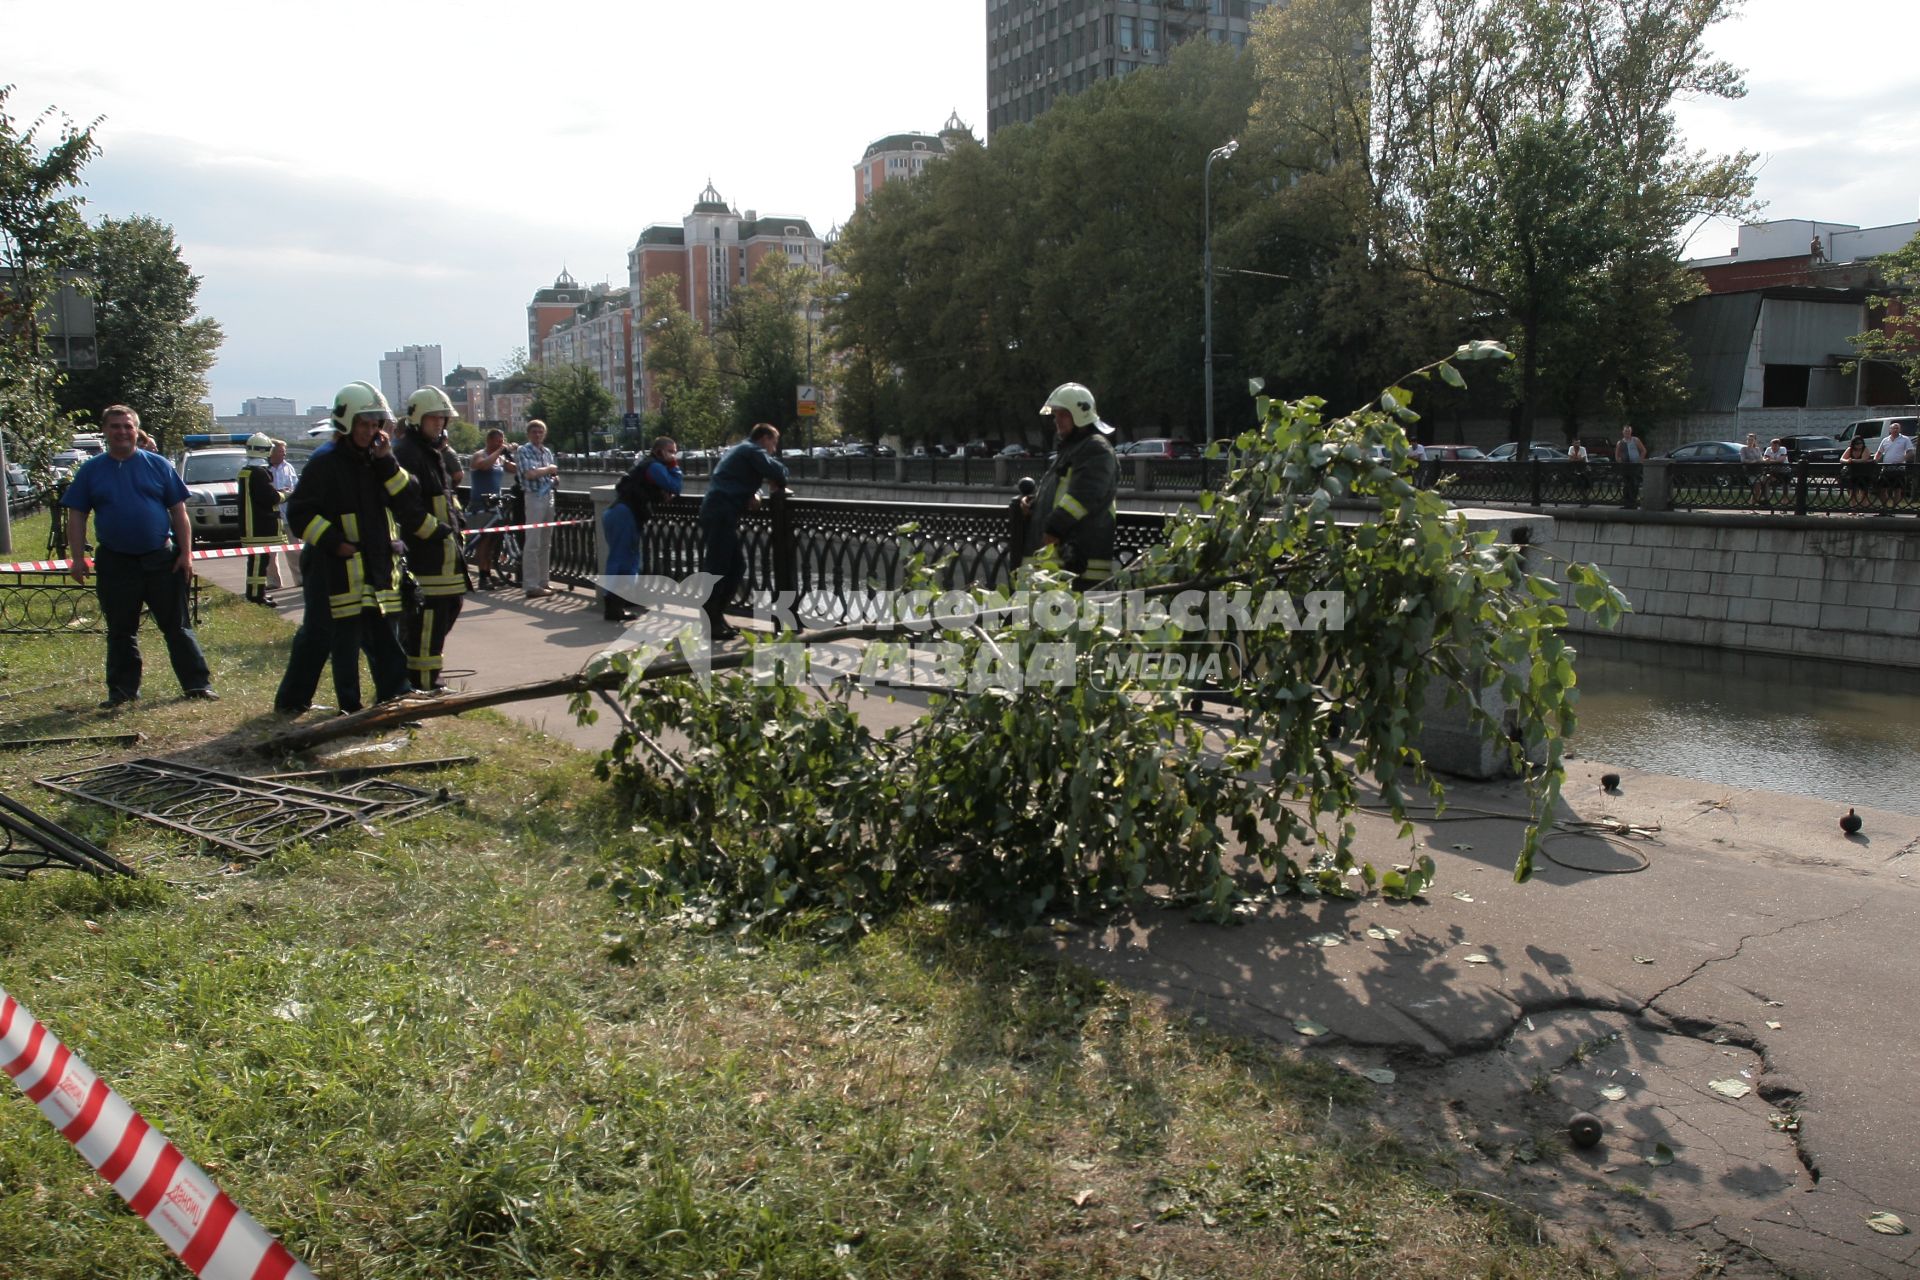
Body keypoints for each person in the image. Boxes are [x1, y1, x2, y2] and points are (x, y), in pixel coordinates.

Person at [273, 381, 420, 715]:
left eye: (375, 424)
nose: (370, 431)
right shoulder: (324, 462)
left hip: (375, 567)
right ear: (346, 423)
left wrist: (387, 462)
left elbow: (408, 498)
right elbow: (300, 514)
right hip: (332, 569)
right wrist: (334, 542)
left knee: (385, 639)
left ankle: (396, 700)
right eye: (364, 424)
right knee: (327, 639)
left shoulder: (379, 460)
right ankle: (308, 703)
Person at [59, 404, 216, 708]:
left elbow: (178, 512)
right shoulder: (92, 470)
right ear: (105, 431)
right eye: (115, 426)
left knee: (177, 627)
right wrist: (77, 558)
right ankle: (122, 691)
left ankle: (197, 686)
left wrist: (186, 554)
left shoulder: (157, 465)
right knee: (121, 630)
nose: (122, 432)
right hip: (116, 562)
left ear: (136, 430)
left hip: (161, 560)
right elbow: (76, 514)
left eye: (128, 426)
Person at [392, 387, 467, 691]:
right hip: (425, 556)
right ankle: (423, 682)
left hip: (445, 553)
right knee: (427, 622)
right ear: (417, 418)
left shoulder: (432, 451)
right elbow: (406, 506)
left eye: (443, 418)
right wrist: (433, 531)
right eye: (434, 417)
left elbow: (447, 495)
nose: (440, 423)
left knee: (447, 610)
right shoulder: (407, 454)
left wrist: (457, 521)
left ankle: (427, 676)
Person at [1023, 381, 1119, 587]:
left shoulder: (1096, 449)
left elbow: (1083, 497)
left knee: (1081, 617)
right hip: (1063, 563)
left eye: (1063, 414)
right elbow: (1059, 491)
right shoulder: (1073, 449)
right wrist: (1034, 503)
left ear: (1081, 414)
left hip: (1082, 563)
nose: (1057, 420)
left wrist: (1052, 529)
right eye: (1055, 414)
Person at [699, 423, 788, 640]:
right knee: (720, 567)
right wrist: (776, 479)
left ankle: (716, 617)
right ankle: (711, 621)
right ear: (764, 438)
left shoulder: (741, 450)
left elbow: (742, 478)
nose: (773, 449)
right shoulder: (752, 450)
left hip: (718, 512)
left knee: (735, 566)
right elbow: (778, 470)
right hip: (721, 513)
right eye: (773, 443)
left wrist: (755, 491)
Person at [602, 435, 683, 621]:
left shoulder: (646, 465)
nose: (673, 455)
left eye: (675, 452)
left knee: (621, 559)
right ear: (659, 451)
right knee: (625, 560)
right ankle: (615, 607)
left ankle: (616, 604)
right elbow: (676, 486)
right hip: (625, 514)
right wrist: (675, 467)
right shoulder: (654, 466)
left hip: (619, 512)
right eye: (670, 452)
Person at [514, 420, 560, 598]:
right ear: (528, 434)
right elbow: (529, 474)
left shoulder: (546, 451)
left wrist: (554, 478)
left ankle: (544, 581)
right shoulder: (523, 450)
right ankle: (531, 585)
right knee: (533, 542)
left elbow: (551, 474)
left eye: (541, 432)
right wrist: (549, 469)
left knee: (546, 542)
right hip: (533, 498)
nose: (537, 435)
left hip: (549, 496)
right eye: (534, 432)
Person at [467, 427, 517, 588]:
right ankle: (482, 577)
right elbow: (483, 466)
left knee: (492, 542)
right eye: (497, 441)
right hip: (479, 504)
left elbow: (516, 469)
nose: (500, 444)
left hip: (495, 504)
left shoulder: (500, 459)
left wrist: (516, 452)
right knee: (483, 541)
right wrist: (499, 452)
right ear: (489, 441)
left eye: (502, 441)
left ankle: (489, 573)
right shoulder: (480, 455)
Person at [238, 432, 283, 604]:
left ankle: (257, 592)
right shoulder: (259, 473)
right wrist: (285, 495)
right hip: (260, 525)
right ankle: (257, 595)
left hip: (251, 525)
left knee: (257, 562)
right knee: (259, 562)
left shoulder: (246, 471)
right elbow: (270, 498)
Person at [268, 439, 301, 587]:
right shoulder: (264, 468)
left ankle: (300, 580)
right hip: (271, 517)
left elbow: (295, 488)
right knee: (270, 552)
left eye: (284, 451)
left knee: (294, 549)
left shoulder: (289, 467)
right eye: (281, 451)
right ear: (272, 452)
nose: (284, 454)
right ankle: (273, 582)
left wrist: (290, 493)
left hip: (288, 515)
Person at [1873, 421, 1913, 510]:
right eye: (1893, 428)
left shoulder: (1905, 439)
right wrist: (1874, 461)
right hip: (1886, 468)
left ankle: (1894, 508)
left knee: (1897, 489)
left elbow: (1910, 453)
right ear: (1890, 429)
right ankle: (1885, 508)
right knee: (1882, 488)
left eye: (1897, 428)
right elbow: (1879, 452)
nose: (1895, 430)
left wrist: (1901, 460)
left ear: (1900, 429)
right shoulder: (1885, 440)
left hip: (1899, 468)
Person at [1615, 425, 1647, 509]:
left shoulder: (1635, 440)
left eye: (1628, 431)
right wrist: (1619, 461)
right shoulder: (1620, 442)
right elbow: (1617, 455)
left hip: (1635, 466)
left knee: (1634, 484)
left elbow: (1643, 451)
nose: (1627, 433)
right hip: (1625, 466)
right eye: (1625, 431)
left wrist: (1640, 461)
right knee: (1626, 485)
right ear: (1623, 432)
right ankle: (1626, 503)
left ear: (1631, 432)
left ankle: (1633, 503)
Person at [1841, 437, 1874, 510]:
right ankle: (1853, 509)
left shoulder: (1865, 449)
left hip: (1864, 473)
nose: (1860, 445)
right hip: (1853, 473)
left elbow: (1864, 460)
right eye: (1857, 443)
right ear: (1853, 444)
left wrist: (1852, 460)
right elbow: (1841, 459)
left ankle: (1863, 509)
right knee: (1853, 492)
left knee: (1864, 492)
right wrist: (1847, 461)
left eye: (1861, 443)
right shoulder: (1849, 449)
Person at [1761, 437, 1790, 508]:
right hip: (1773, 471)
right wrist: (1769, 460)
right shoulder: (1768, 449)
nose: (1773, 447)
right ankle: (1767, 500)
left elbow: (1781, 460)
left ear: (1779, 446)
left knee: (1785, 487)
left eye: (1775, 446)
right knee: (1765, 480)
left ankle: (1784, 504)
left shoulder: (1783, 449)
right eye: (1772, 445)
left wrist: (1770, 461)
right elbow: (1764, 459)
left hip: (1784, 471)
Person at [1741, 432, 1766, 508]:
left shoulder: (1757, 449)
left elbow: (1761, 458)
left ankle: (1752, 505)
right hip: (1751, 471)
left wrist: (1763, 460)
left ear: (1755, 440)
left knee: (1758, 490)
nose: (1750, 441)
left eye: (1752, 440)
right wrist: (1753, 461)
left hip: (1758, 470)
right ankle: (1752, 506)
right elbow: (1743, 460)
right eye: (1748, 440)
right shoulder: (1744, 449)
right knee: (1756, 489)